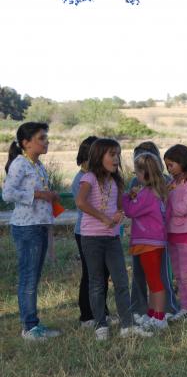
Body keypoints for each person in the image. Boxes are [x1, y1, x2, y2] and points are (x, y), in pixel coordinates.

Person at [75, 138, 153, 340]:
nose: (117, 158)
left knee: (121, 281)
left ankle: (127, 325)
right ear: (99, 156)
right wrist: (103, 217)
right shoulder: (89, 178)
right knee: (97, 283)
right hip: (91, 238)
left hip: (112, 238)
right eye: (112, 154)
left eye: (118, 154)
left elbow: (119, 207)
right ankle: (100, 325)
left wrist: (121, 211)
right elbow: (80, 202)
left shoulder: (116, 181)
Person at [3, 122, 62, 341]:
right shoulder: (20, 164)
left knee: (33, 277)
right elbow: (7, 194)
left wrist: (50, 195)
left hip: (38, 226)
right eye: (41, 138)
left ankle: (33, 324)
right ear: (26, 143)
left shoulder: (37, 165)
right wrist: (38, 195)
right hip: (27, 228)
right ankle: (29, 327)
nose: (46, 142)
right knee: (28, 278)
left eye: (46, 137)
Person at [128, 142, 179, 323]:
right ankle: (143, 309)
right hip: (145, 238)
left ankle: (164, 311)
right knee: (142, 275)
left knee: (158, 277)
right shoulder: (139, 182)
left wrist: (126, 198)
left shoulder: (161, 182)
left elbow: (131, 210)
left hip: (151, 239)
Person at [71, 136, 115, 328]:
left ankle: (101, 311)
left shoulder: (98, 175)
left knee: (102, 274)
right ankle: (87, 316)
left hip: (101, 232)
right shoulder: (84, 178)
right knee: (91, 274)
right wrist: (105, 218)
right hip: (86, 233)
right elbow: (84, 205)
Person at [122, 153, 170, 330]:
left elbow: (131, 211)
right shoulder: (157, 191)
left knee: (154, 281)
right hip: (155, 241)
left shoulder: (147, 193)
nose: (136, 177)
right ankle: (153, 313)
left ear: (144, 173)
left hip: (148, 243)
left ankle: (159, 316)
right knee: (153, 279)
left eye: (137, 173)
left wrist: (126, 197)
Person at [163, 144, 187, 321]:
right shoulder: (172, 183)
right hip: (172, 233)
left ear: (182, 162)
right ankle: (185, 307)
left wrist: (169, 204)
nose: (168, 169)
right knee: (178, 274)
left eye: (171, 165)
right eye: (167, 165)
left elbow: (186, 207)